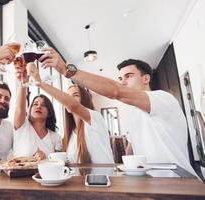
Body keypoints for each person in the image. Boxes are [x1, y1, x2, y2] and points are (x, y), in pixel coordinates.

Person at [38, 49, 197, 176]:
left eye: (128, 76)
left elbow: (116, 91)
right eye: (120, 78)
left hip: (179, 183)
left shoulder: (162, 99)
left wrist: (66, 70)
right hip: (150, 186)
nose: (123, 82)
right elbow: (131, 152)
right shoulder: (134, 114)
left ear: (146, 78)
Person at [26, 63, 114, 164]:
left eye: (75, 95)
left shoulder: (95, 118)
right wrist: (45, 159)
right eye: (67, 96)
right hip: (79, 180)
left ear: (84, 99)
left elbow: (73, 105)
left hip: (104, 179)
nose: (70, 99)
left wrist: (40, 83)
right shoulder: (70, 134)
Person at [13, 60, 62, 160]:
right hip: (19, 175)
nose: (38, 106)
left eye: (43, 105)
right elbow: (19, 109)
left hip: (46, 176)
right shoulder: (22, 126)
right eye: (35, 104)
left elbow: (59, 163)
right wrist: (24, 82)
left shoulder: (55, 137)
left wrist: (46, 159)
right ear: (30, 110)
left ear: (49, 113)